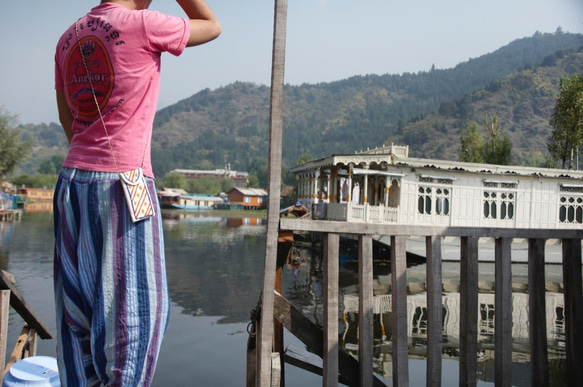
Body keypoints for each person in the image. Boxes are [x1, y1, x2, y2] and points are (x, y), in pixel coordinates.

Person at [53, 1, 221, 385]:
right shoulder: (143, 24)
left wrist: (90, 164)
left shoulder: (68, 38)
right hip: (121, 183)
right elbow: (211, 26)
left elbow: (68, 119)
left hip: (71, 183)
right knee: (136, 317)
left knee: (76, 316)